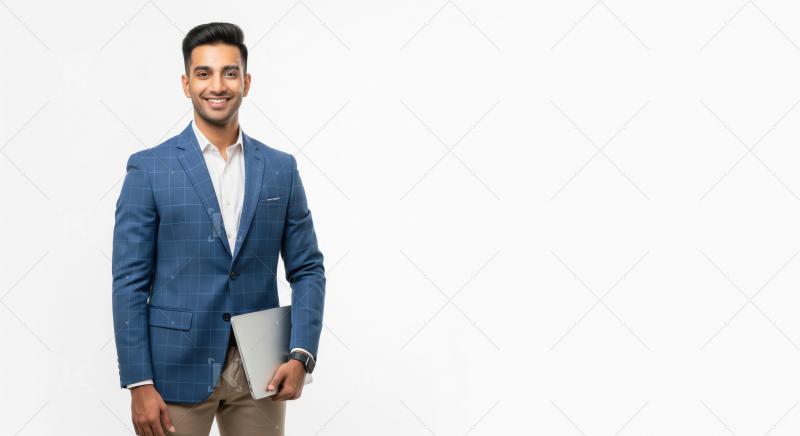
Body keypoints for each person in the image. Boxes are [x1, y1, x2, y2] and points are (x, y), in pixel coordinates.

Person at [111, 22, 326, 436]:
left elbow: (308, 269)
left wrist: (301, 355)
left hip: (261, 371)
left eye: (229, 73)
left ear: (246, 82)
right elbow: (129, 283)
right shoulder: (150, 168)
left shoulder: (281, 168)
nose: (217, 85)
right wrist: (139, 382)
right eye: (203, 73)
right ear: (186, 83)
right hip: (175, 371)